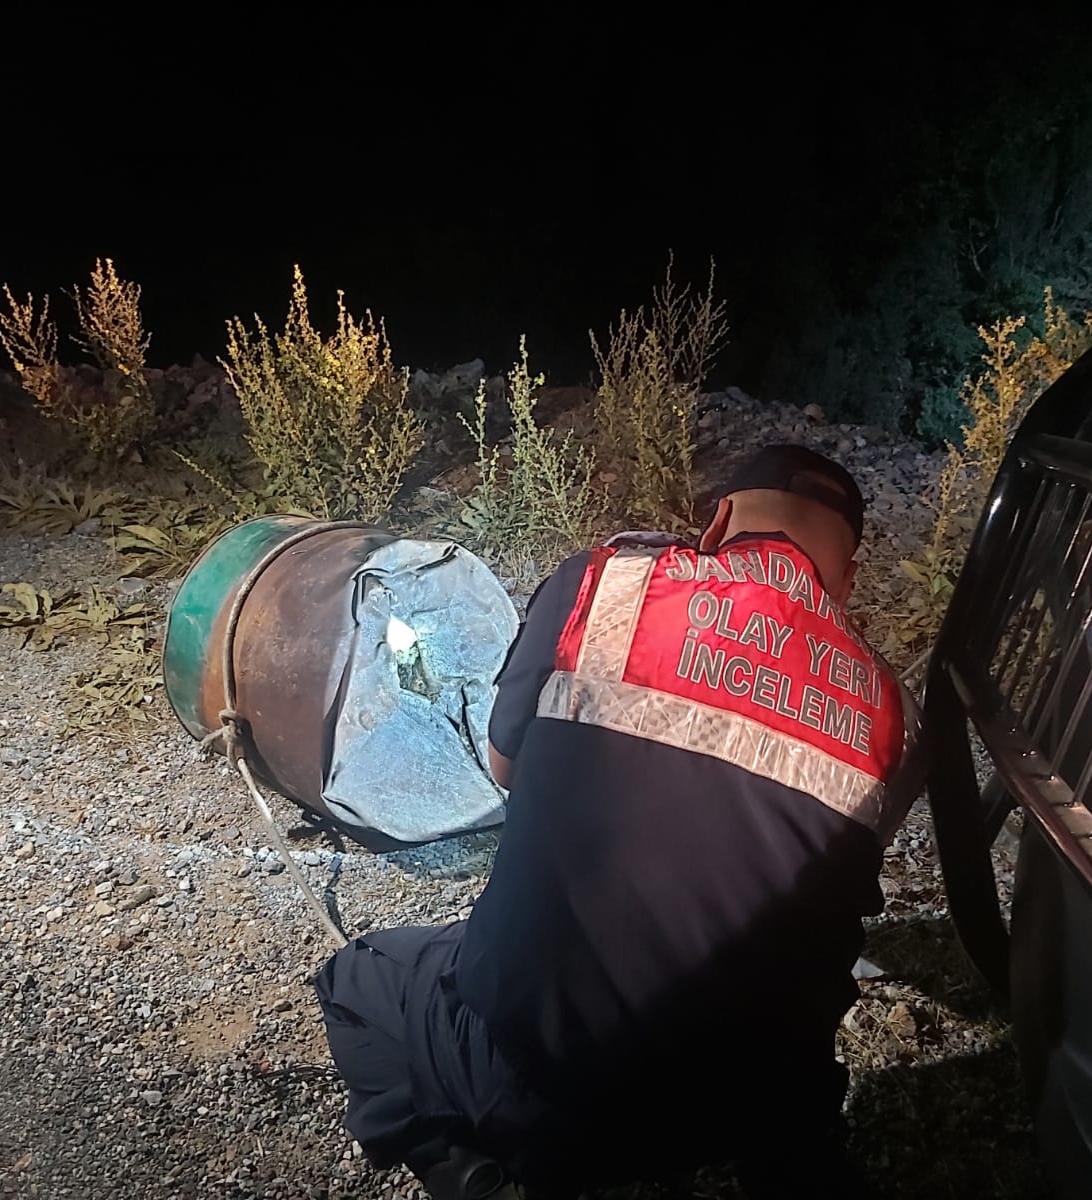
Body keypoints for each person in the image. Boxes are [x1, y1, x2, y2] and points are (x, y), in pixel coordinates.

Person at [313, 445, 924, 1199]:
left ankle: (468, 1170)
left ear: (720, 520)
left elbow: (506, 770)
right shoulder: (889, 710)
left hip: (550, 1088)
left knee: (356, 978)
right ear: (847, 577)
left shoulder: (608, 585)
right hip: (751, 1110)